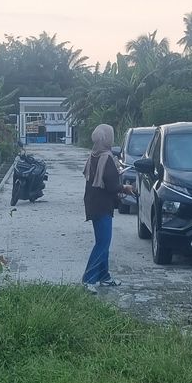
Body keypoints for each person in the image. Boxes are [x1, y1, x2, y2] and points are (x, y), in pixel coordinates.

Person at [82, 124, 122, 292]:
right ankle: (88, 279)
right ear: (107, 138)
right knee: (103, 242)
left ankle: (104, 276)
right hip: (102, 205)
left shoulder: (93, 155)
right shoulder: (107, 157)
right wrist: (125, 188)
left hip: (92, 202)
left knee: (103, 241)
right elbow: (112, 185)